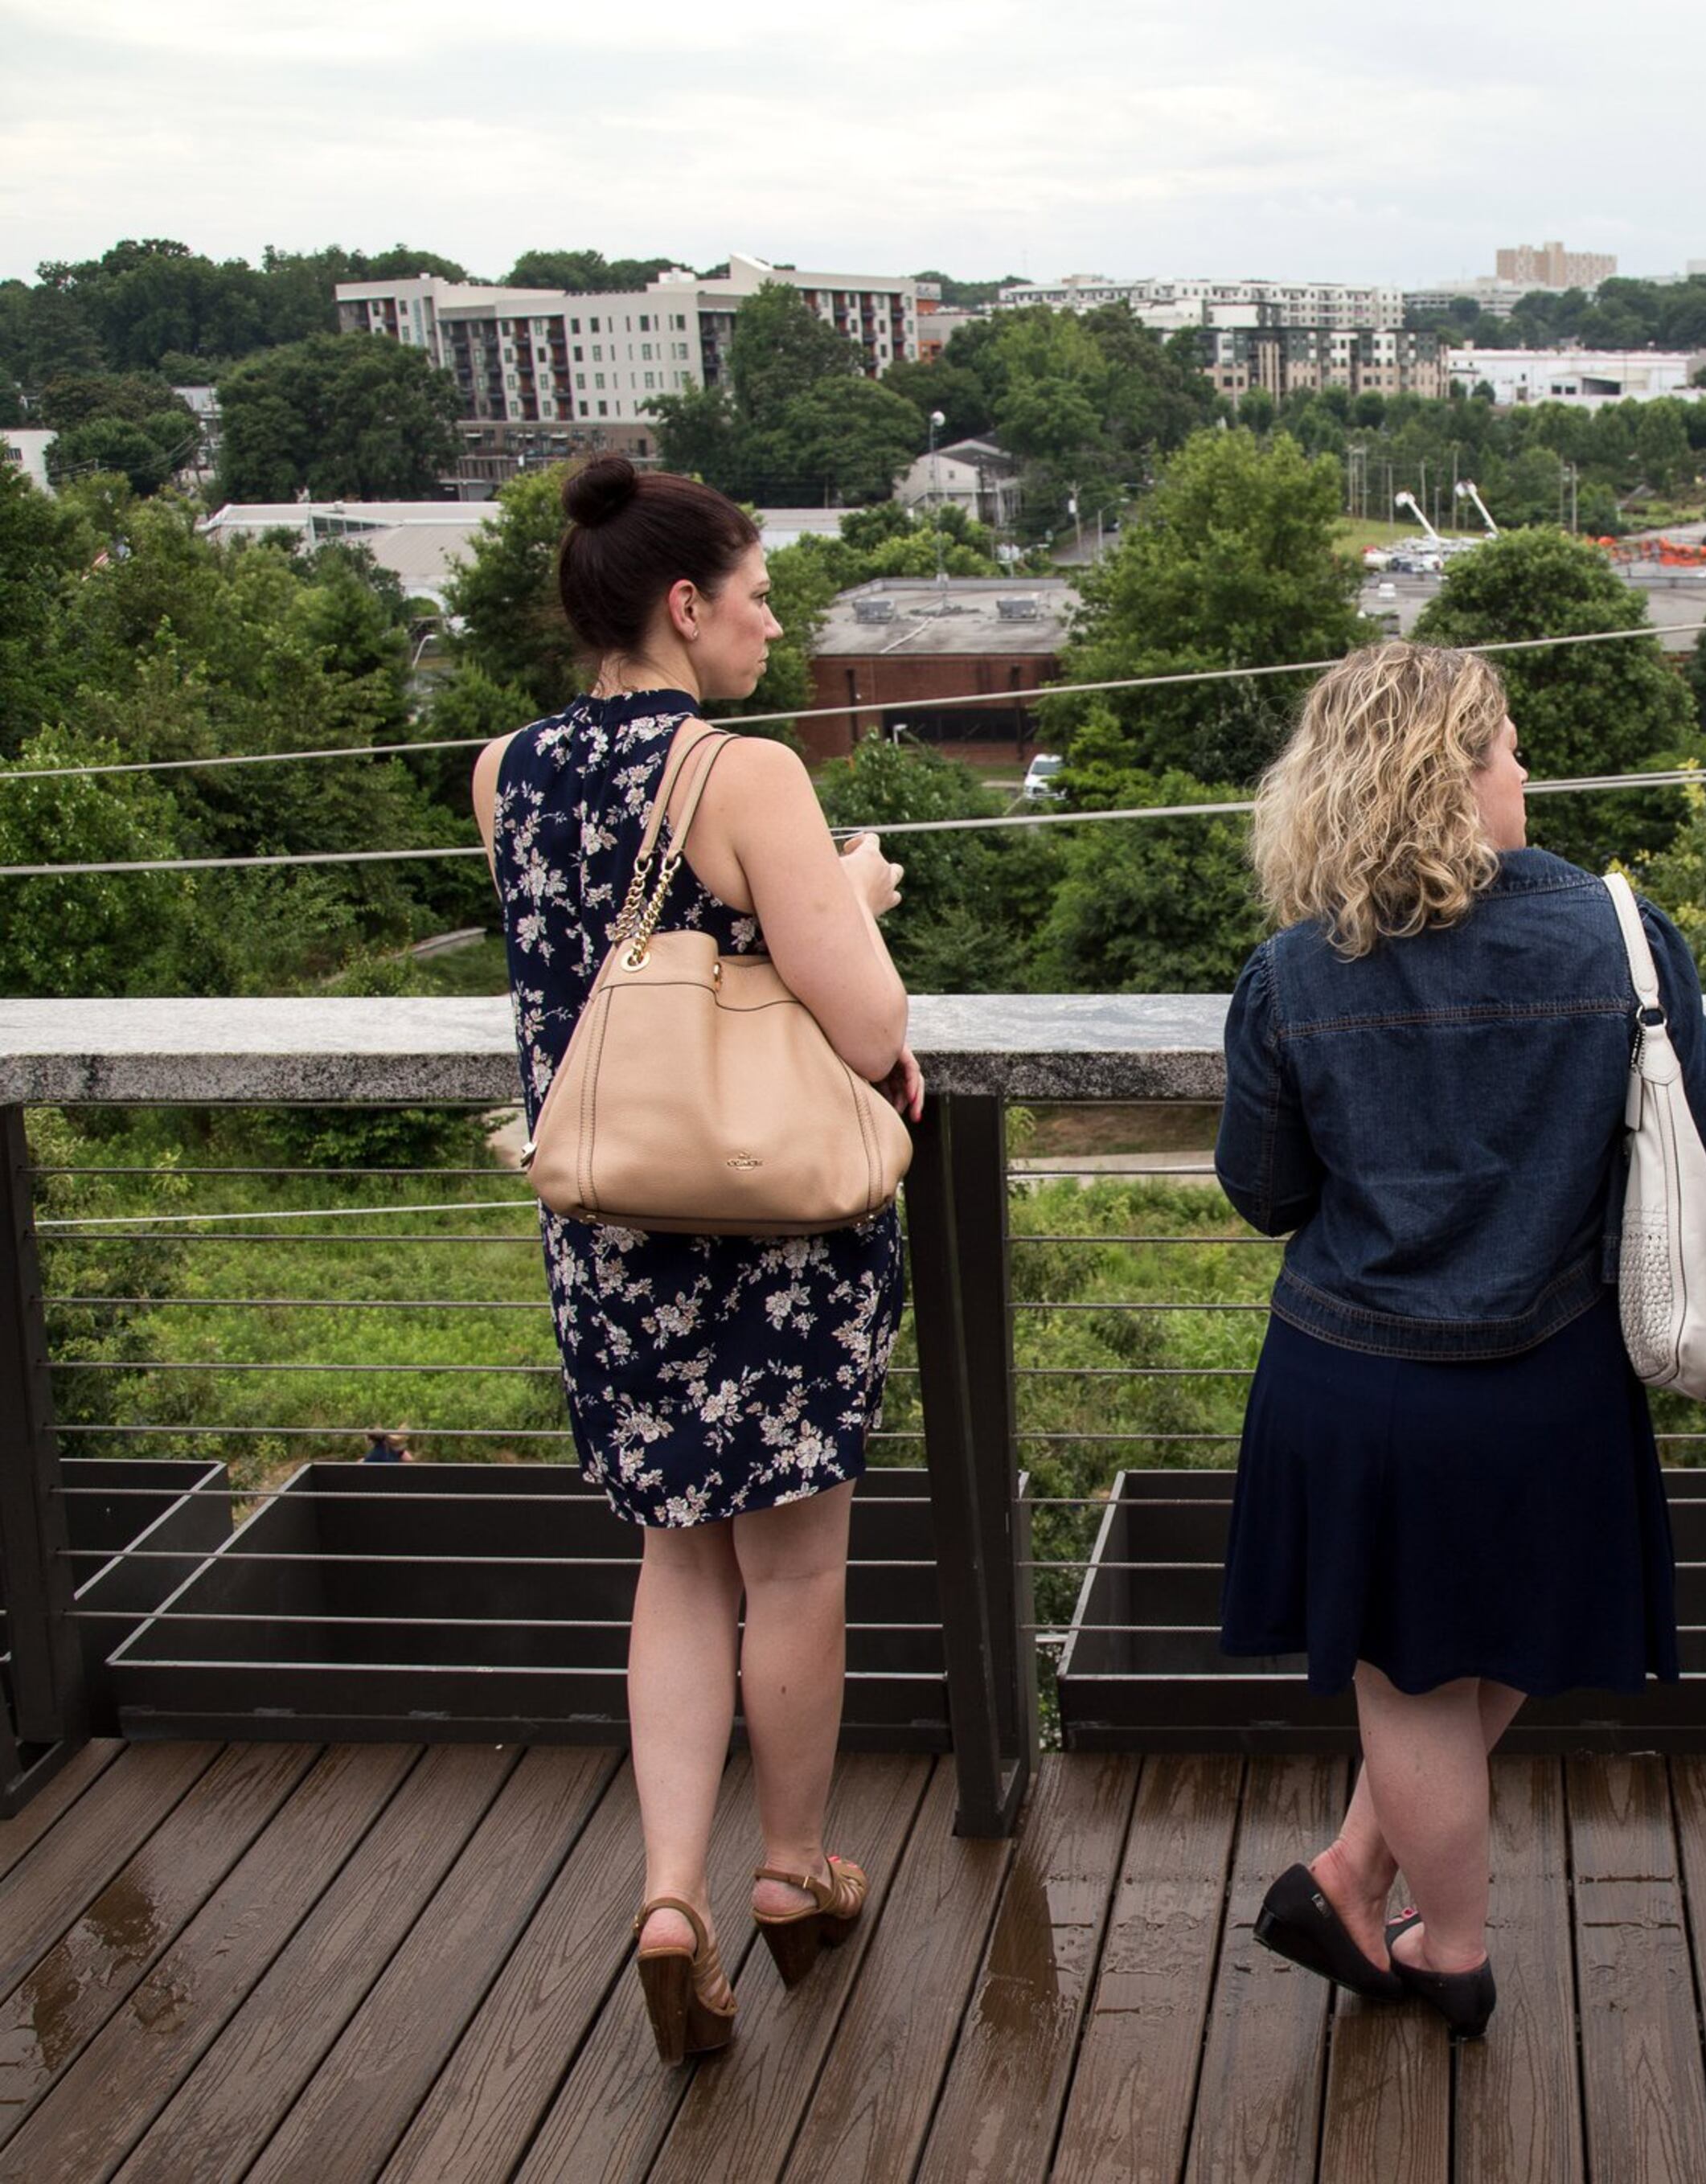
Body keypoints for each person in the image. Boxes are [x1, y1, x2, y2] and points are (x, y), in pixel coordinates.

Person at [1214, 641, 1706, 2040]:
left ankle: (1396, 1905)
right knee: (1470, 1645)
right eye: (1505, 748)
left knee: (1409, 1666)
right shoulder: (1617, 934)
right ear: (1445, 777)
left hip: (1357, 1379)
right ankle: (1437, 1940)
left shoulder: (1289, 971)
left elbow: (1266, 1190)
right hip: (1554, 1368)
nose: (1526, 773)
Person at [469, 456, 923, 2068]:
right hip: (773, 1230)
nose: (772, 620)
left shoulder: (502, 770)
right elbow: (864, 1021)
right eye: (756, 594)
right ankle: (791, 1873)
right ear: (683, 605)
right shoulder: (748, 774)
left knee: (675, 1557)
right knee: (792, 1568)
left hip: (607, 1223)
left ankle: (672, 1901)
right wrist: (855, 894)